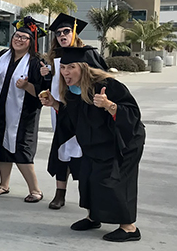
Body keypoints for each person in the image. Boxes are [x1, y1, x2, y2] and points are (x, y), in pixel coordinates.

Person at [41, 46, 145, 242]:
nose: (65, 72)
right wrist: (54, 104)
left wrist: (109, 105)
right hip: (95, 145)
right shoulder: (72, 91)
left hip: (122, 143)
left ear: (84, 67)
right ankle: (93, 216)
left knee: (114, 181)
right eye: (63, 67)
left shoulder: (108, 86)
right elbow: (72, 119)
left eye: (71, 67)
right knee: (89, 178)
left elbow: (132, 114)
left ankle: (129, 227)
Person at [43, 13, 108, 210]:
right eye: (58, 33)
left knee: (83, 152)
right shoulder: (52, 58)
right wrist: (45, 77)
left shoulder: (88, 54)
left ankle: (87, 196)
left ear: (74, 33)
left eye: (66, 31)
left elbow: (103, 79)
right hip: (61, 110)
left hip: (86, 112)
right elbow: (53, 85)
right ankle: (59, 193)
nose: (62, 35)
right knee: (61, 148)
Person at [0, 16, 45, 203]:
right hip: (0, 112)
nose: (19, 40)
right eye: (17, 36)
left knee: (22, 151)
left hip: (24, 115)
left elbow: (42, 92)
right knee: (2, 148)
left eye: (24, 38)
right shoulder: (2, 56)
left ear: (31, 42)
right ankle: (4, 185)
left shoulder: (35, 62)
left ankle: (35, 190)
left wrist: (27, 86)